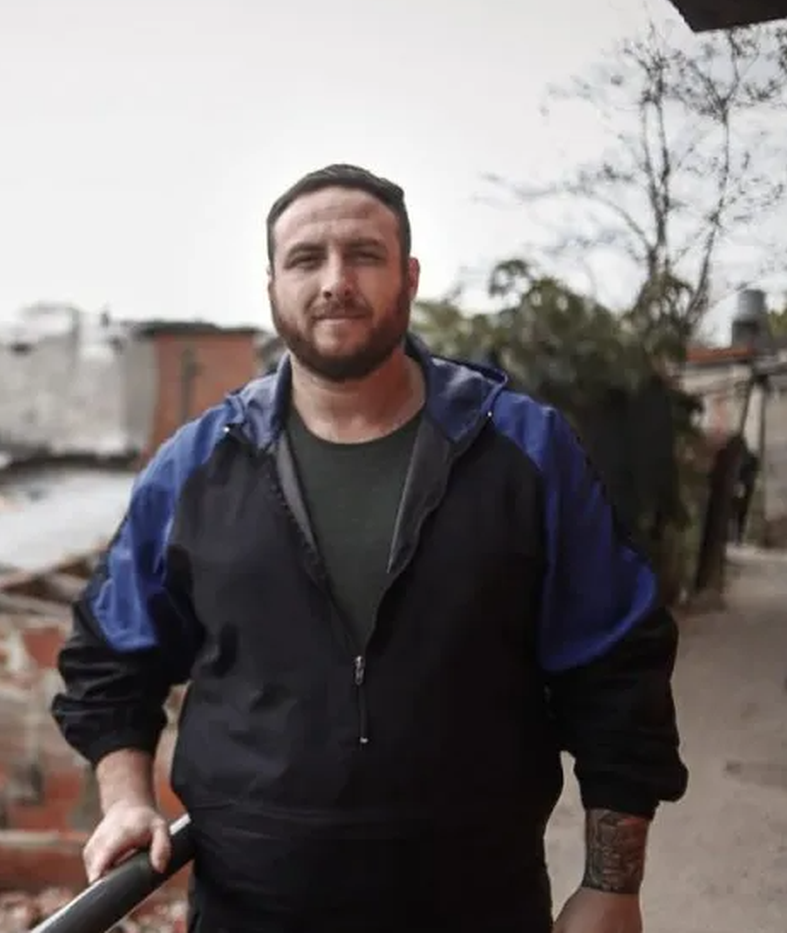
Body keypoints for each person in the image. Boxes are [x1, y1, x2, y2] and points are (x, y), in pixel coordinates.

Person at [51, 164, 688, 933]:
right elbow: (111, 657)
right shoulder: (197, 467)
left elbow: (617, 663)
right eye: (306, 259)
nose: (335, 281)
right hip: (252, 911)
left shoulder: (523, 449)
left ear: (409, 276)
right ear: (271, 286)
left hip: (479, 905)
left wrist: (611, 885)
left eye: (364, 254)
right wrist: (125, 801)